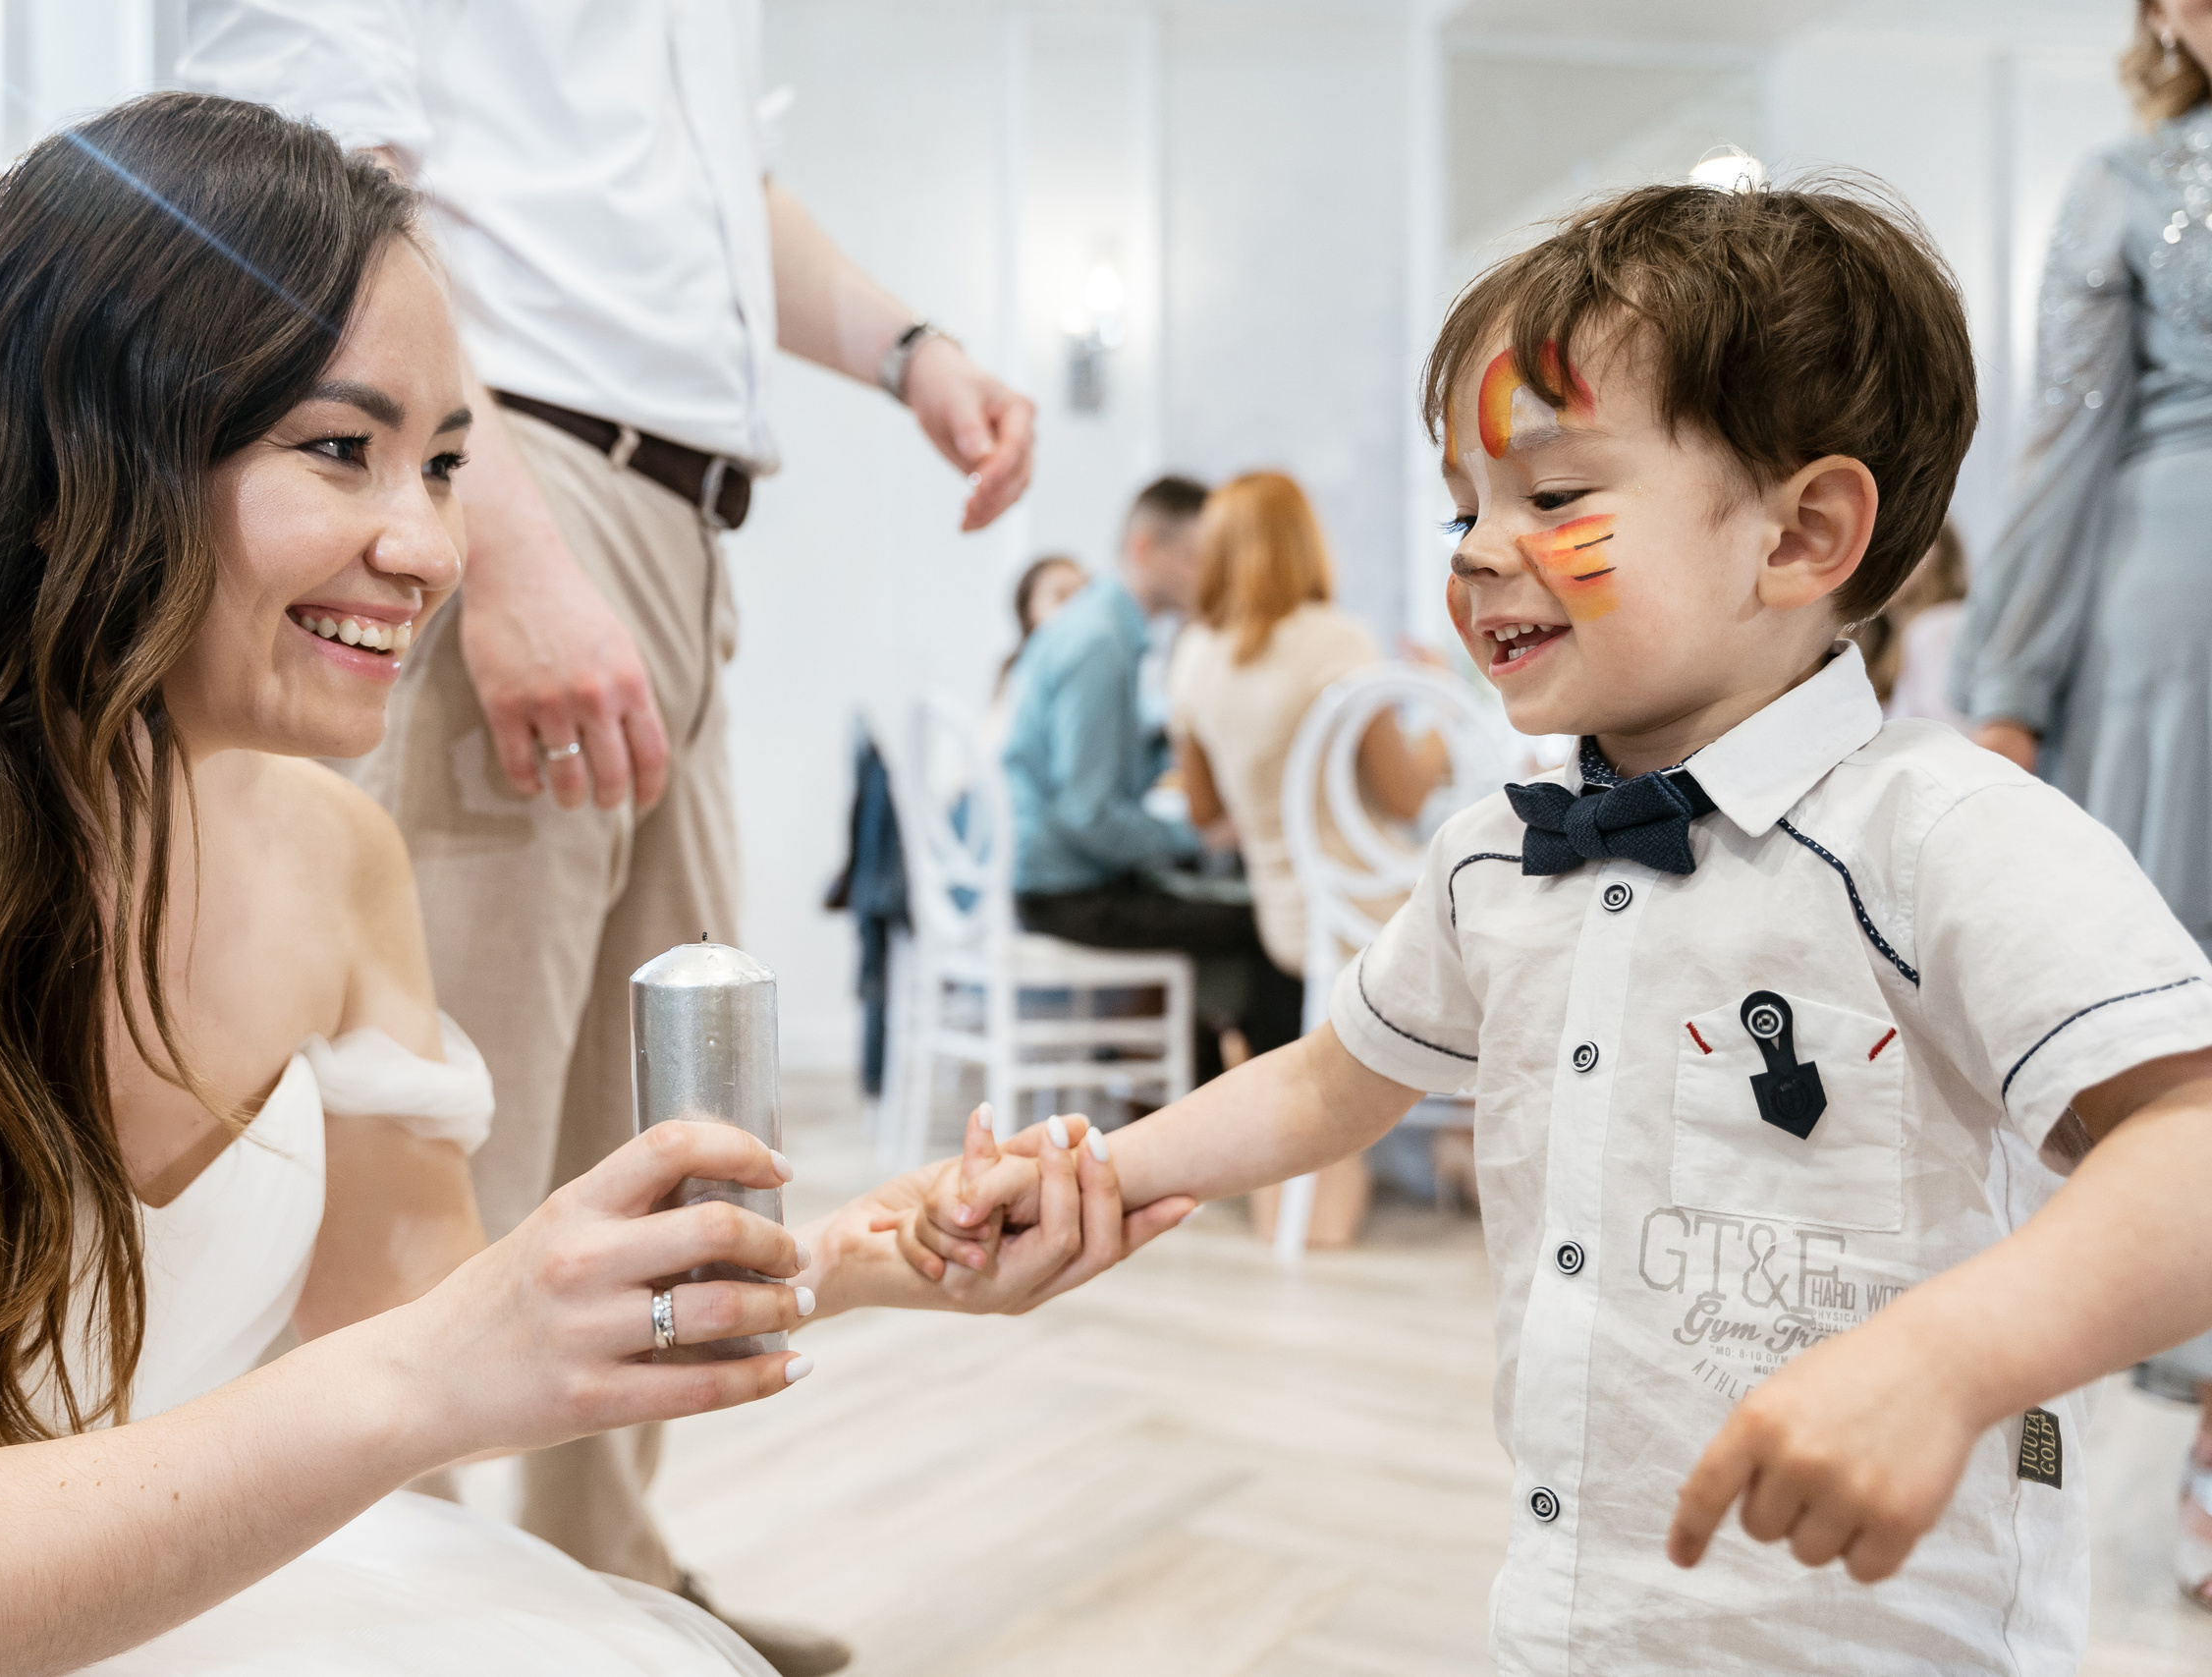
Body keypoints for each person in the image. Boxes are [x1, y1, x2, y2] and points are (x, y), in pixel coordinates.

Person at [0, 93, 1171, 1677]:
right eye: (342, 451)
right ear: (82, 441)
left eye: (449, 463)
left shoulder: (339, 853)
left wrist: (861, 1256)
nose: (429, 546)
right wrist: (430, 1366)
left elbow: (441, 1324)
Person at [910, 177, 2212, 1674]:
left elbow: (2189, 1147)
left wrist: (1949, 1355)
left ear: (1801, 535)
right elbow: (1332, 1078)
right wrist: (1101, 1170)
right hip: (1580, 1619)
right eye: (1466, 503)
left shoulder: (1942, 833)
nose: (1472, 549)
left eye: (1553, 494)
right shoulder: (1491, 860)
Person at [175, 19, 1034, 1662]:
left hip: (682, 514)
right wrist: (490, 541)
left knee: (652, 1111)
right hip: (517, 469)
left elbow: (721, 193)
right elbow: (317, 200)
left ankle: (603, 1578)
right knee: (447, 1115)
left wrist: (912, 346)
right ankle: (372, 1606)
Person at [1952, 3, 2212, 1599]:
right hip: (2177, 611)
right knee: (2184, 1018)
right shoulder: (2127, 182)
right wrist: (2008, 686)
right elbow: (2067, 435)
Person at [1166, 470, 1446, 1242]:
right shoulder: (1335, 639)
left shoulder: (1194, 655)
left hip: (1288, 920)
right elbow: (1404, 797)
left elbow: (1204, 813)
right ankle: (1466, 1141)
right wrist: (1436, 704)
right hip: (1372, 912)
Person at [1003, 475, 1297, 1082]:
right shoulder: (1099, 644)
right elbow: (1085, 813)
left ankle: (1221, 1123)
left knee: (1226, 910)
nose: (1209, 576)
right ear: (1144, 549)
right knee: (1265, 923)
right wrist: (1197, 840)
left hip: (1060, 880)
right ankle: (1275, 1133)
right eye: (1196, 559)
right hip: (1066, 892)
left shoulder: (1100, 631)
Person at [1861, 520, 1967, 731]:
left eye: (1896, 544)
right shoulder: (1879, 637)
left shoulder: (1942, 624)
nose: (1875, 558)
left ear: (1938, 553)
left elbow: (1947, 732)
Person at [984, 551, 1086, 741]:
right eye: (1061, 596)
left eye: (1085, 597)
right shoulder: (1018, 677)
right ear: (1029, 610)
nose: (1076, 608)